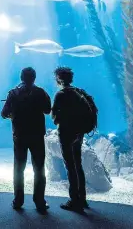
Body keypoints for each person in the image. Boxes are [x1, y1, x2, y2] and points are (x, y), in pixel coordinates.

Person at [1, 67, 51, 214]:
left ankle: (18, 201)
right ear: (34, 78)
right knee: (39, 168)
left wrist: (13, 114)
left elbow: (3, 113)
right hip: (37, 135)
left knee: (18, 168)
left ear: (21, 77)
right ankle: (39, 202)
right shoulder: (40, 92)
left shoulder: (13, 93)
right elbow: (48, 110)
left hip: (19, 135)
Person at [51, 66, 89, 212]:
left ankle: (74, 200)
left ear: (59, 79)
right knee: (78, 165)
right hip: (79, 134)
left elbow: (54, 117)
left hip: (66, 133)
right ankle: (83, 199)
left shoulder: (60, 95)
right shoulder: (78, 93)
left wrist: (58, 118)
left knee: (70, 166)